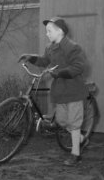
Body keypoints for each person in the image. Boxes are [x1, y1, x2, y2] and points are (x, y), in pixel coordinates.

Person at [19, 16, 90, 166]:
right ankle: (81, 139)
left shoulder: (72, 47)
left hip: (73, 89)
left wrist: (60, 73)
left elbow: (79, 67)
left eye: (49, 31)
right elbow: (45, 61)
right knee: (62, 121)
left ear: (60, 31)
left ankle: (75, 154)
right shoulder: (50, 48)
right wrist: (31, 58)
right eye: (46, 31)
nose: (47, 34)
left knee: (74, 122)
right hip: (60, 91)